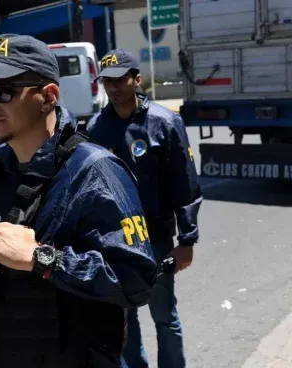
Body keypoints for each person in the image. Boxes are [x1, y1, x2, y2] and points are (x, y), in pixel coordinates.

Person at [0, 34, 158, 368]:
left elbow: (136, 282)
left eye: (4, 91)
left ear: (48, 96)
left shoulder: (96, 170)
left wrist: (43, 258)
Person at [85, 49, 203, 368]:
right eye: (106, 81)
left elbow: (185, 184)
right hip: (114, 245)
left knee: (165, 317)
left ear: (136, 79)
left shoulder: (165, 123)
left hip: (157, 241)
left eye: (120, 79)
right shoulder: (95, 129)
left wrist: (187, 240)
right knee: (125, 325)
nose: (113, 87)